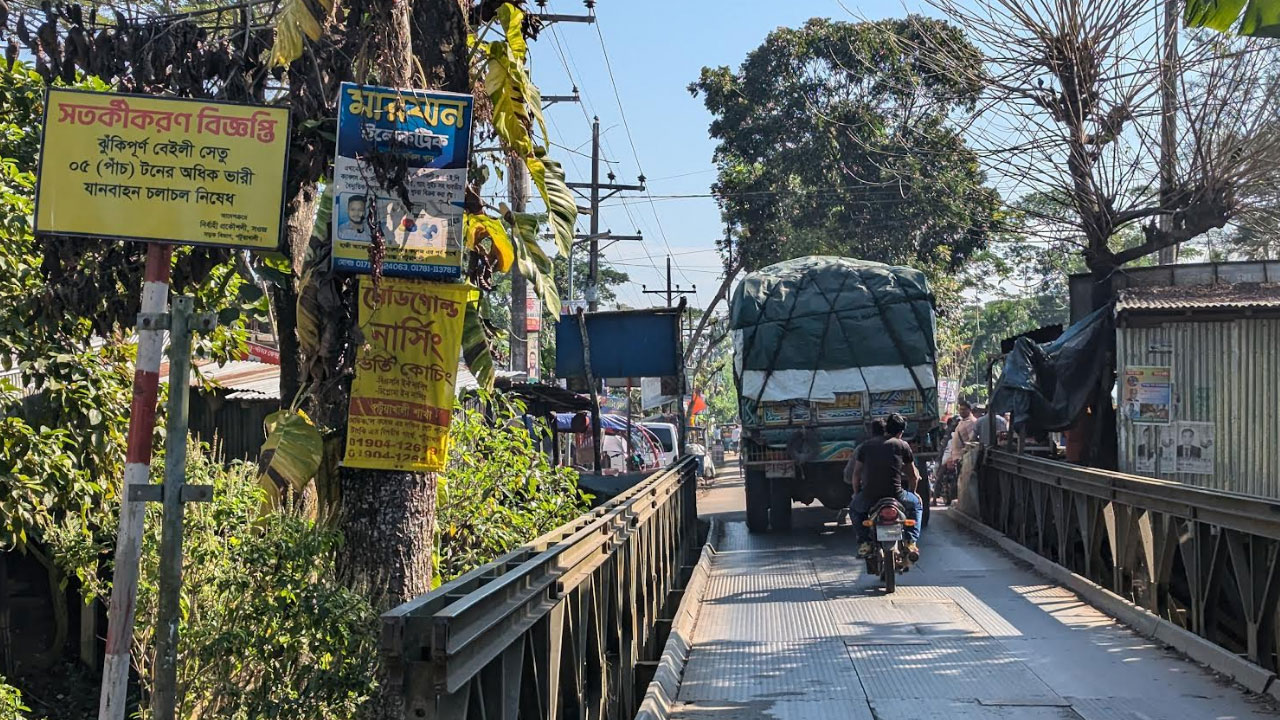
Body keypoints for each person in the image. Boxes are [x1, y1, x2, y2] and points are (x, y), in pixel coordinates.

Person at [846, 414, 923, 560]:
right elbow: (913, 475)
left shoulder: (866, 446)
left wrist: (857, 494)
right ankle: (910, 542)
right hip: (897, 495)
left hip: (870, 496)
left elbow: (856, 475)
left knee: (855, 509)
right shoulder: (902, 445)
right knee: (916, 505)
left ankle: (865, 543)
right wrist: (913, 492)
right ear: (901, 432)